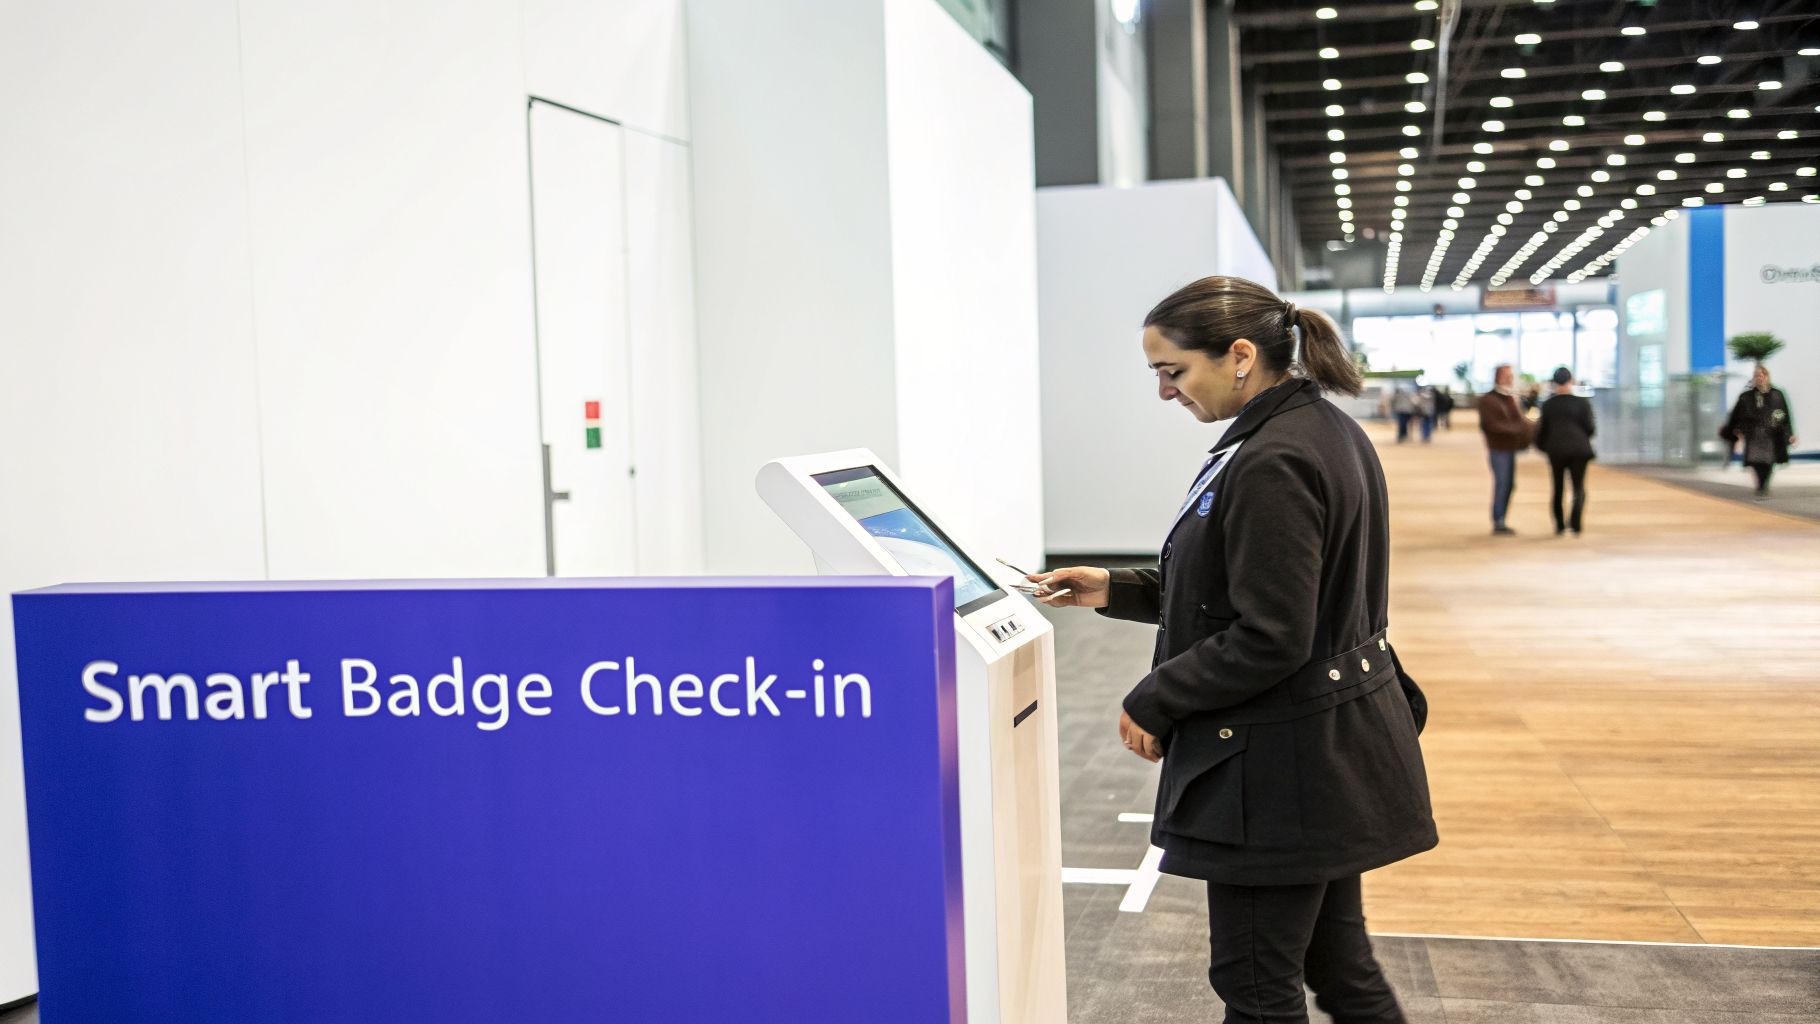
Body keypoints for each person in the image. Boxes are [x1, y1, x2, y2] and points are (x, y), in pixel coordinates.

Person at [1027, 276, 1436, 1024]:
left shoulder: (1274, 458)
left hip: (1282, 770)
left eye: (1172, 371)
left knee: (1255, 984)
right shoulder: (1315, 430)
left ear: (1241, 355)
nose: (1164, 392)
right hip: (1328, 750)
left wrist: (1155, 697)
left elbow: (1273, 633)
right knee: (1340, 966)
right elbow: (1242, 586)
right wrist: (1113, 588)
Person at [1533, 367, 1596, 535]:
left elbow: (1541, 430)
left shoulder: (1548, 404)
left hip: (1556, 450)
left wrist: (1543, 447)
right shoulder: (1582, 403)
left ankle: (1560, 525)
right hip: (1579, 449)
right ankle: (1575, 524)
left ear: (1554, 382)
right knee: (1578, 487)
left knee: (1558, 487)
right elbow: (1590, 428)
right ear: (1571, 381)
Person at [1722, 365, 1798, 500]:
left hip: (1771, 435)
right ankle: (1761, 484)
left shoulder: (1777, 394)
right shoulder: (1746, 396)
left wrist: (1790, 433)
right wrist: (1733, 431)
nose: (1760, 378)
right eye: (1757, 376)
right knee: (1756, 460)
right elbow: (1736, 415)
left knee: (1768, 460)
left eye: (1762, 375)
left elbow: (1785, 415)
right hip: (1754, 434)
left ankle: (1763, 484)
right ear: (1754, 378)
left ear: (1767, 377)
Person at [1477, 364, 1533, 535]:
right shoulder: (1488, 400)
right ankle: (1498, 520)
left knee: (1509, 484)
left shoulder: (1509, 398)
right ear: (1499, 377)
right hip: (1498, 448)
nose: (1511, 379)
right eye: (1508, 376)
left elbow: (1520, 420)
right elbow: (1491, 425)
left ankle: (1502, 518)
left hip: (1510, 448)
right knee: (1502, 484)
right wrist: (1516, 429)